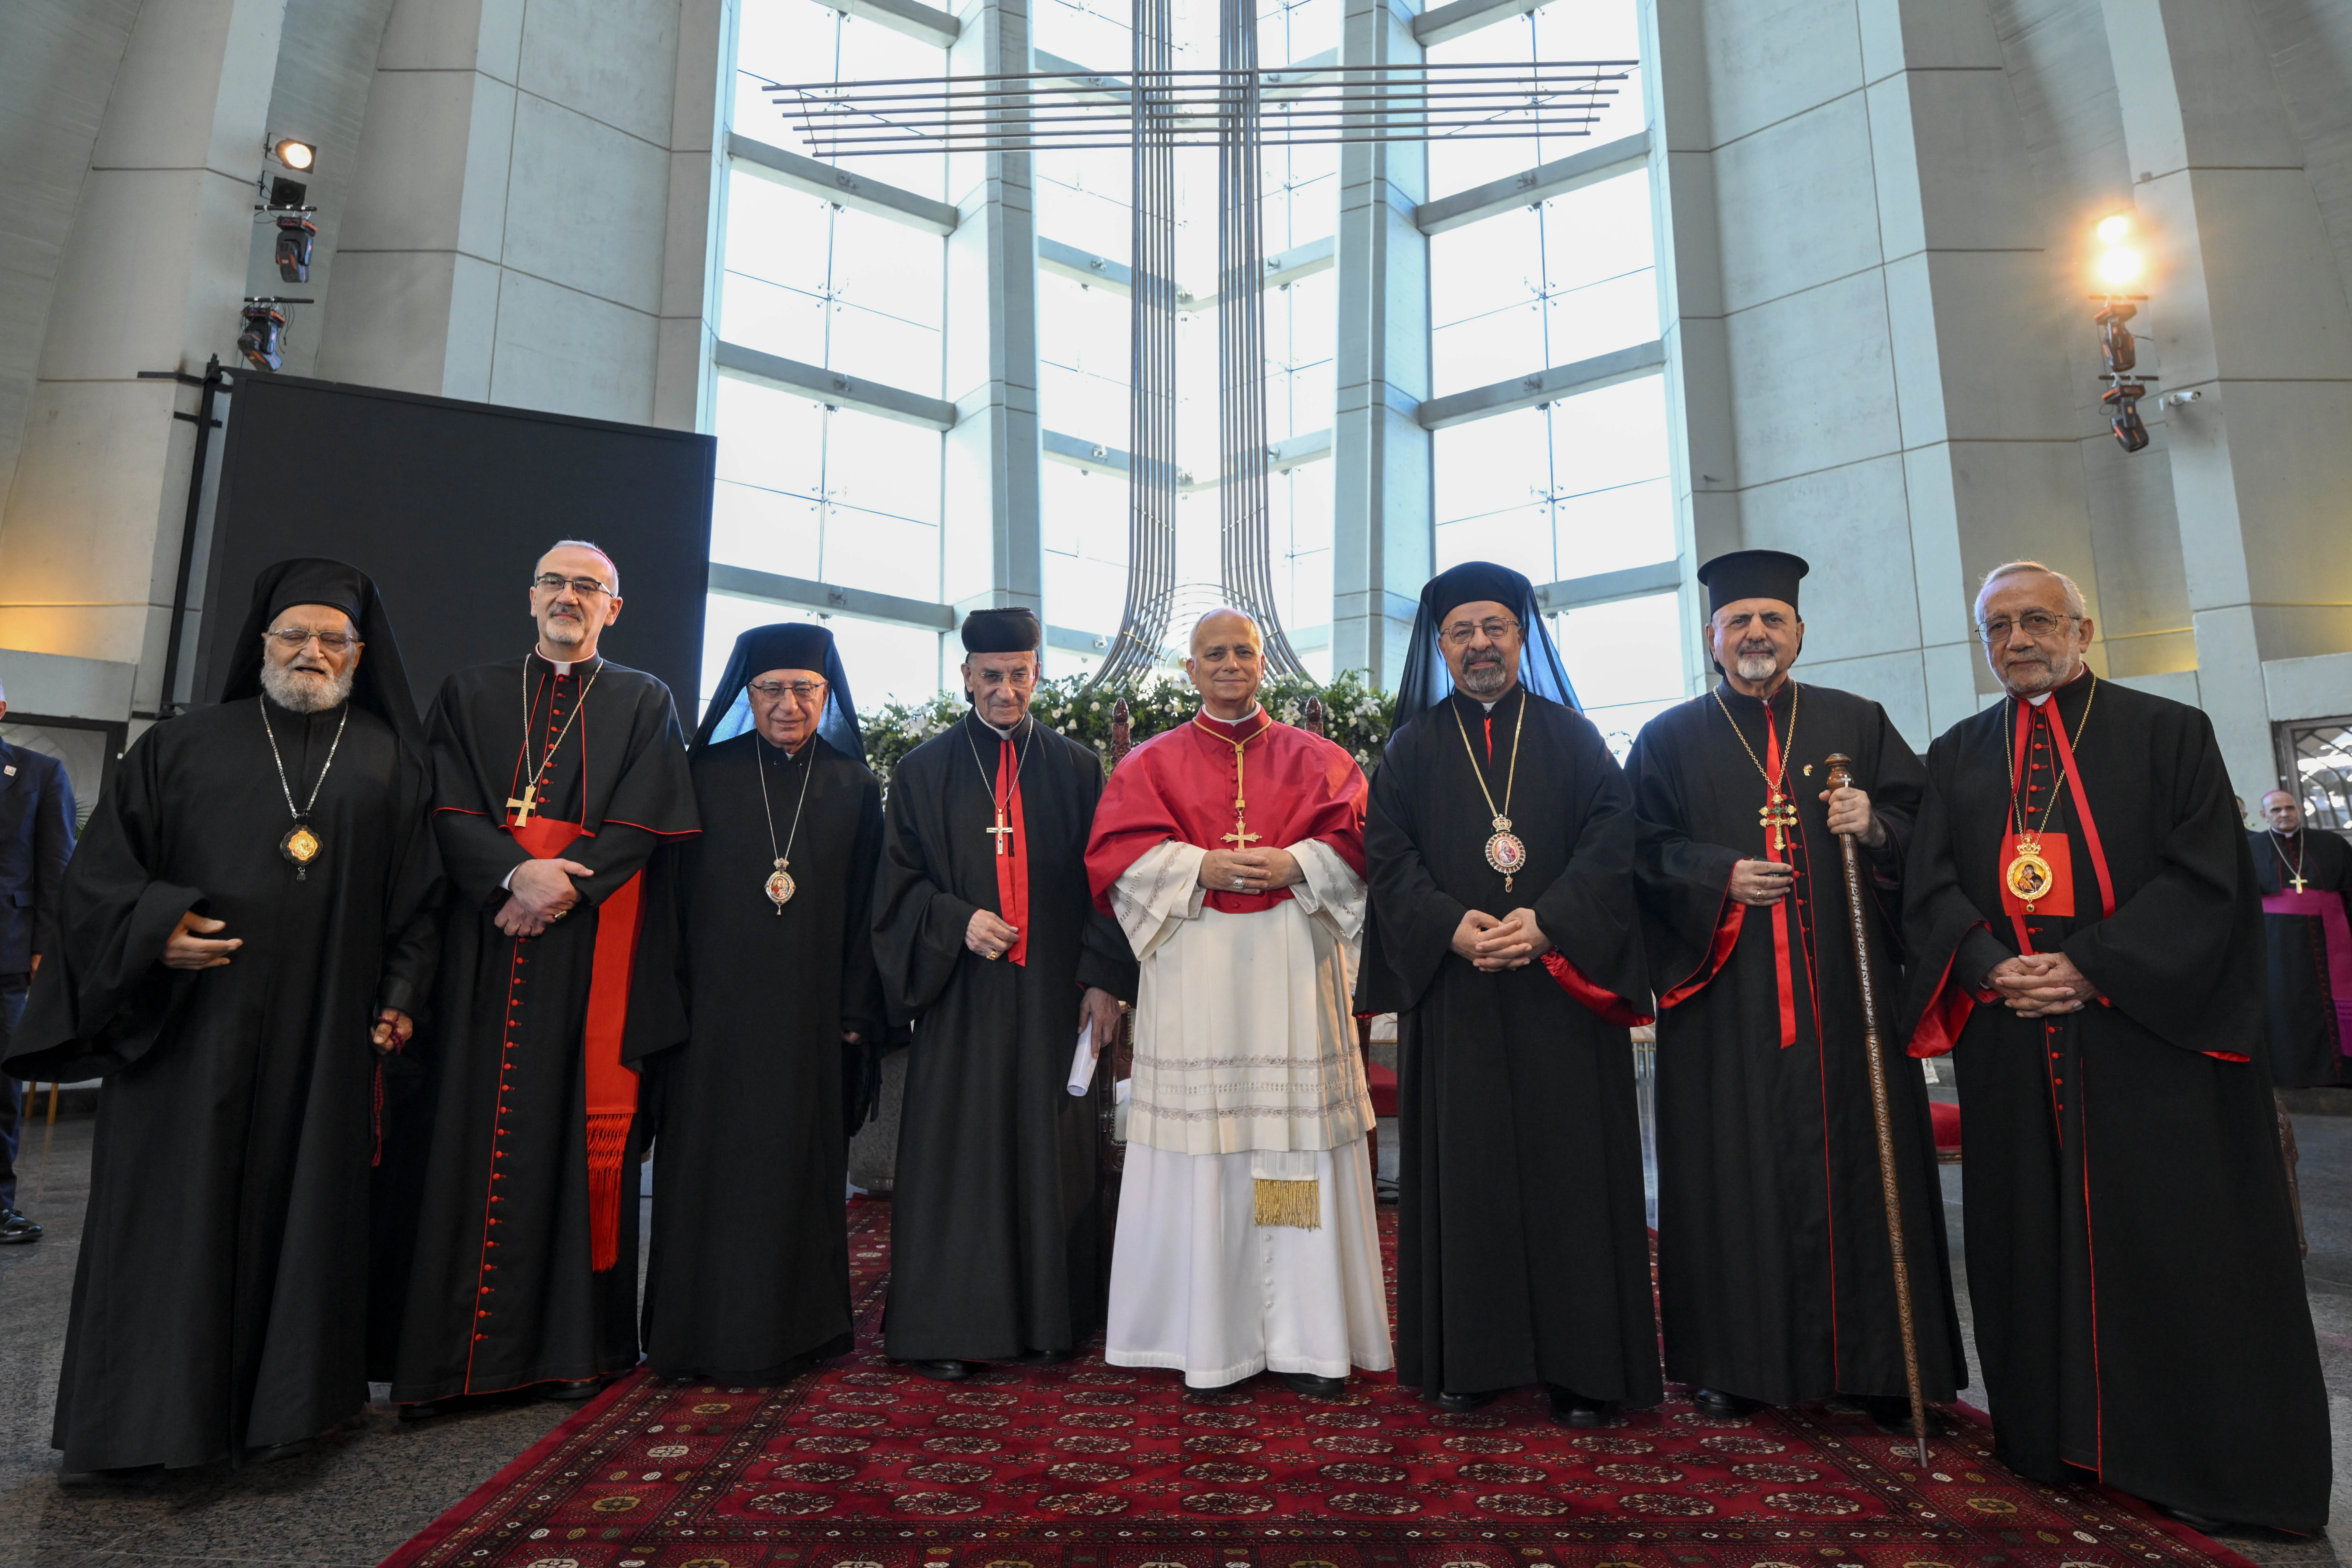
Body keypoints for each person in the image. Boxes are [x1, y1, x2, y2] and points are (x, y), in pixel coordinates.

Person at [1900, 560, 2329, 1531]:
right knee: (2027, 1245)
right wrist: (1984, 965)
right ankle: (2049, 1441)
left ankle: (2182, 1458)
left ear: (2082, 633)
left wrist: (2092, 964)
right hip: (2012, 1045)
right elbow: (1928, 891)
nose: (2017, 640)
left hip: (2146, 1042)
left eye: (2037, 621)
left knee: (2174, 1251)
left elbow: (2207, 880)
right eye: (1998, 627)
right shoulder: (1958, 752)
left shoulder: (2166, 734)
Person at [5, 560, 441, 1471]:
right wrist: (155, 932)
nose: (311, 652)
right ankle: (143, 1426)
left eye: (332, 638)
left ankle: (287, 1413)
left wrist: (400, 998)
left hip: (325, 1035)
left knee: (306, 1216)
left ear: (360, 653)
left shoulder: (391, 757)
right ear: (262, 643)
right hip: (186, 1033)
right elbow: (97, 879)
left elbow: (421, 902)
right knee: (174, 1218)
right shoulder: (182, 745)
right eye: (294, 635)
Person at [1625, 549, 1962, 1432]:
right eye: (1737, 621)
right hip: (1724, 1003)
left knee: (1864, 1157)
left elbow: (1926, 832)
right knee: (1728, 1171)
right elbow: (1637, 851)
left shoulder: (1857, 721)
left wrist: (1877, 828)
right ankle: (1730, 1365)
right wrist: (1716, 873)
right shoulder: (1666, 739)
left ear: (1799, 632)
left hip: (1844, 997)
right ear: (1709, 637)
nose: (1754, 634)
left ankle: (1885, 1367)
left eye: (1770, 619)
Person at [390, 541, 698, 1413]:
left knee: (572, 1139)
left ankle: (573, 1351)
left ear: (614, 607)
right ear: (530, 598)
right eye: (556, 583)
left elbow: (646, 817)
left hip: (585, 949)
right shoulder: (470, 691)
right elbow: (441, 802)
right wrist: (512, 872)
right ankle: (448, 1363)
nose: (570, 597)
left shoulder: (645, 699)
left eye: (588, 586)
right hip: (481, 944)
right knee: (461, 1138)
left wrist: (561, 881)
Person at [1357, 560, 1659, 1426]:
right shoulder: (1410, 748)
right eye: (1462, 631)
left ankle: (1585, 1367)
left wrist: (1549, 920)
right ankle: (1471, 1357)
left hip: (1558, 992)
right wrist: (1451, 926)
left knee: (1574, 1178)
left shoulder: (1571, 738)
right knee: (1468, 1175)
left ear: (1520, 636)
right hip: (1456, 992)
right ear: (1441, 644)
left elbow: (1612, 839)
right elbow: (1387, 857)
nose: (1479, 644)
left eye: (1494, 627)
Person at [1087, 608, 1387, 1397]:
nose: (1229, 664)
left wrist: (1298, 862)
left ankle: (1308, 1339)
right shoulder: (1147, 765)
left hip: (1293, 970)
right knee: (1207, 1151)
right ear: (1190, 670)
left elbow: (1362, 848)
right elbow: (1118, 857)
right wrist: (1195, 868)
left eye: (1242, 653)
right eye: (1212, 654)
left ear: (1263, 664)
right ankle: (1206, 1338)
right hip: (1197, 978)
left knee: (1291, 1147)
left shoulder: (1322, 760)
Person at [871, 606, 1135, 1380]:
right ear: (965, 678)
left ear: (1037, 673)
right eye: (991, 676)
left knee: (1054, 1150)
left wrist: (1107, 983)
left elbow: (1107, 887)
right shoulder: (922, 772)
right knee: (966, 1154)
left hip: (1057, 993)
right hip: (965, 1000)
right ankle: (954, 1325)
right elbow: (894, 888)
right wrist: (954, 921)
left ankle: (1055, 1320)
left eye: (1020, 674)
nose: (1006, 690)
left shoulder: (1078, 768)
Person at [640, 623, 886, 1381]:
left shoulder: (852, 783)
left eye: (804, 691)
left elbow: (866, 911)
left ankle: (795, 1333)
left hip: (810, 1022)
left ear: (827, 695)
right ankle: (694, 1338)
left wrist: (855, 1012)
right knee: (708, 1171)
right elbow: (667, 905)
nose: (788, 705)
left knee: (795, 1174)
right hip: (712, 1023)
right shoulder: (702, 773)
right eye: (771, 690)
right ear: (747, 695)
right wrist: (669, 1005)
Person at [0, 677, 75, 1245]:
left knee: (1, 1094)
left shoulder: (38, 774)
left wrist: (46, 954)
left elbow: (58, 874)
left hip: (7, 962)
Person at [2250, 787, 2352, 1088]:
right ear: (2264, 815)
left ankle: (2341, 1074)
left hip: (2330, 937)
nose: (2284, 814)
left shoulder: (2331, 844)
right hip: (2277, 944)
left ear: (2299, 809)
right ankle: (2290, 1075)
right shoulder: (2252, 849)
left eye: (2289, 808)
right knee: (2284, 1006)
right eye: (2276, 810)